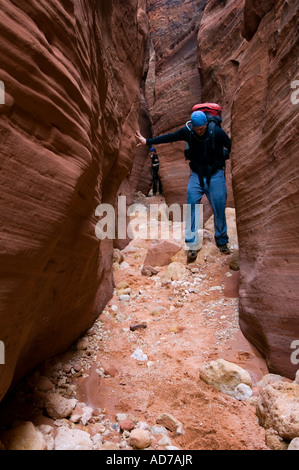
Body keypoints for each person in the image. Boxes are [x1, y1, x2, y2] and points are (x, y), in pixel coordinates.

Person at [136, 110, 231, 262]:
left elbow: (230, 146)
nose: (199, 132)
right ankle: (192, 245)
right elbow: (170, 137)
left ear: (206, 124)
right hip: (196, 176)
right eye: (196, 129)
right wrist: (147, 141)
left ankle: (222, 241)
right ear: (192, 126)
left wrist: (221, 157)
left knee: (219, 208)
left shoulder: (217, 132)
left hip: (215, 175)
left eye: (201, 128)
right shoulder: (188, 132)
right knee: (192, 207)